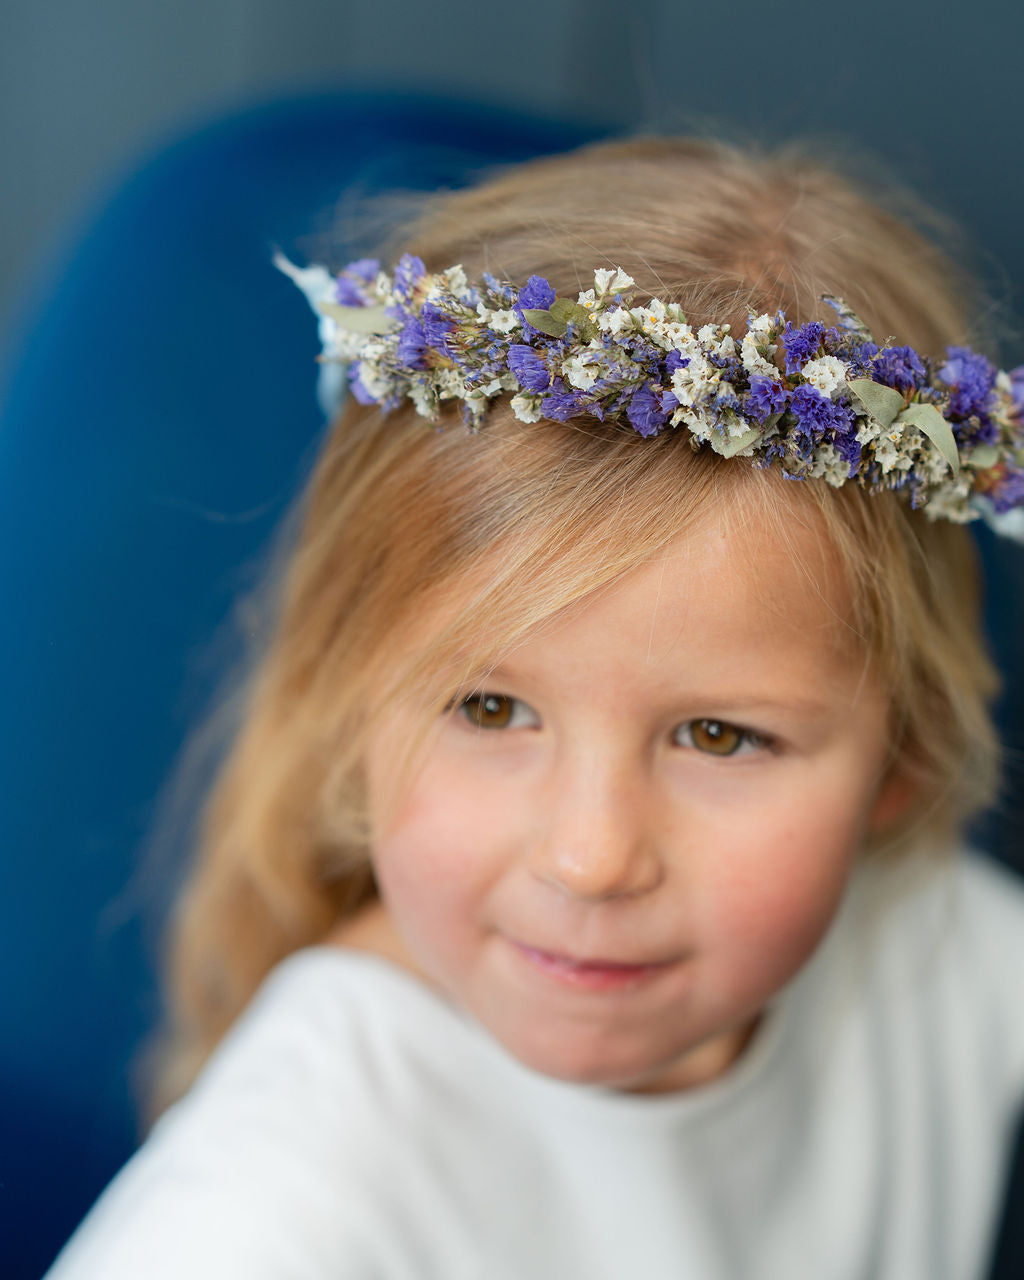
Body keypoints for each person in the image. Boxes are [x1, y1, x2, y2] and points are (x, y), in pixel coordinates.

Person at [45, 135, 1024, 1279]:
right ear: (349, 701)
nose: (591, 854)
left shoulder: (928, 943)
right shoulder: (273, 1209)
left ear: (902, 752)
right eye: (492, 708)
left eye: (718, 734)